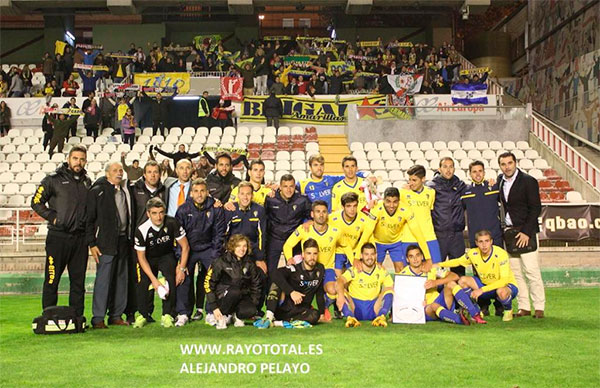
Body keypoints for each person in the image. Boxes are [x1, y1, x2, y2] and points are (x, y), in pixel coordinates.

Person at [31, 145, 91, 318]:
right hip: (57, 238)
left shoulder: (87, 182)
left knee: (78, 283)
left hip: (79, 240)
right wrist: (54, 218)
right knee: (52, 279)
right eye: (75, 158)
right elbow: (36, 202)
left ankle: (77, 319)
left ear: (85, 161)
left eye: (81, 159)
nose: (78, 162)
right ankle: (48, 318)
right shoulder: (53, 180)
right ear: (68, 159)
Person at [87, 162, 133, 328]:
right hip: (105, 242)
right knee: (103, 280)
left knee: (121, 279)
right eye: (115, 170)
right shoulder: (97, 191)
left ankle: (116, 315)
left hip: (123, 240)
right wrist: (91, 243)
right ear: (107, 174)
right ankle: (98, 318)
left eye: (121, 170)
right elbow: (89, 220)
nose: (119, 173)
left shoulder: (126, 190)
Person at [498, 152, 544, 319]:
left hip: (526, 232)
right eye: (503, 164)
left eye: (509, 163)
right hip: (509, 233)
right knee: (516, 273)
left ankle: (539, 306)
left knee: (531, 271)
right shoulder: (500, 181)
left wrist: (526, 231)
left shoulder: (528, 181)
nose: (507, 167)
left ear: (515, 163)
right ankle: (524, 306)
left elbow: (535, 208)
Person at [436, 230, 518, 322]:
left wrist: (481, 290)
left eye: (487, 241)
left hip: (504, 286)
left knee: (501, 291)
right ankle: (476, 311)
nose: (484, 245)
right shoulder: (473, 253)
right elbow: (458, 261)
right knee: (462, 280)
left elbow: (504, 280)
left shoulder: (501, 254)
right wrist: (439, 264)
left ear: (491, 241)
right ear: (476, 243)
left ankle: (508, 310)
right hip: (484, 285)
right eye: (481, 242)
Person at [174, 178, 225, 326]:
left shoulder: (216, 208)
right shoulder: (183, 209)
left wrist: (215, 258)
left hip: (208, 248)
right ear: (191, 193)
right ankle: (183, 313)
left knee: (213, 277)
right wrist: (180, 259)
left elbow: (218, 234)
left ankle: (211, 311)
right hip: (188, 249)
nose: (199, 194)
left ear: (207, 192)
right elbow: (178, 236)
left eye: (202, 191)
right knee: (182, 276)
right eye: (196, 191)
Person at [133, 198, 190, 328]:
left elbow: (185, 246)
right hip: (148, 258)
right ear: (148, 214)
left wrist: (181, 269)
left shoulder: (172, 222)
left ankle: (168, 314)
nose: (158, 217)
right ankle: (143, 314)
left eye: (161, 212)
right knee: (143, 283)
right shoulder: (141, 230)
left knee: (171, 279)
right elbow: (141, 258)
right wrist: (154, 280)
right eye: (154, 213)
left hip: (166, 255)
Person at [282, 200, 345, 320]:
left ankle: (328, 307)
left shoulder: (335, 231)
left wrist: (354, 260)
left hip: (327, 268)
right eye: (318, 212)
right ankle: (301, 308)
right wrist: (289, 258)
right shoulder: (304, 229)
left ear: (328, 214)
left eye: (324, 212)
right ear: (312, 214)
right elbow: (287, 245)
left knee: (332, 290)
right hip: (308, 270)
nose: (321, 215)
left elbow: (345, 245)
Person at [400, 244, 486, 325]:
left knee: (451, 284)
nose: (415, 259)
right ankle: (460, 319)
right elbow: (400, 296)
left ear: (422, 256)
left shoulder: (430, 269)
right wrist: (417, 303)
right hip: (425, 308)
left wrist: (436, 282)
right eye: (411, 256)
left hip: (440, 301)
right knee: (434, 306)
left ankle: (474, 313)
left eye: (417, 255)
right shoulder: (403, 274)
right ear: (407, 259)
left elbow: (454, 276)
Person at [255, 239, 326, 328]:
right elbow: (275, 274)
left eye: (315, 253)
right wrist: (291, 292)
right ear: (303, 255)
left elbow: (319, 291)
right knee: (276, 283)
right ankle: (269, 317)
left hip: (301, 311)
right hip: (284, 309)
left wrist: (322, 313)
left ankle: (278, 323)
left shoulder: (320, 269)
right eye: (309, 253)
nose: (312, 257)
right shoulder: (294, 269)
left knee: (315, 315)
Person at [204, 234, 262, 329]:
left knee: (251, 310)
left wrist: (253, 303)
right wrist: (214, 307)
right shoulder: (220, 261)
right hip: (223, 296)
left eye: (244, 246)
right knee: (235, 291)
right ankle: (221, 316)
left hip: (240, 296)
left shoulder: (249, 263)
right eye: (238, 246)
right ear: (232, 247)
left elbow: (256, 284)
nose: (242, 249)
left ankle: (236, 316)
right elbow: (208, 284)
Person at [369, 187, 432, 273]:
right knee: (374, 269)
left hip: (396, 243)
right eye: (388, 201)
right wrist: (357, 258)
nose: (391, 205)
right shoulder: (376, 209)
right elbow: (367, 233)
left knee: (400, 269)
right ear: (383, 200)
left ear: (399, 200)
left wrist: (428, 258)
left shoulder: (406, 210)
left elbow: (419, 235)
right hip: (378, 242)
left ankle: (398, 286)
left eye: (395, 202)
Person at [336, 243, 393, 328]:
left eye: (372, 254)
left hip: (374, 308)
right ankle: (350, 317)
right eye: (366, 254)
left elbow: (390, 287)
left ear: (376, 255)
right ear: (361, 256)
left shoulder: (381, 270)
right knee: (341, 291)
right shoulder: (354, 269)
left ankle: (381, 317)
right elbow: (340, 280)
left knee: (389, 290)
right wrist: (340, 296)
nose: (369, 257)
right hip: (355, 308)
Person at [426, 157, 467, 275]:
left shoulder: (460, 185)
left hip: (457, 235)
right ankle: (437, 293)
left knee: (459, 270)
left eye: (451, 167)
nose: (448, 170)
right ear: (439, 169)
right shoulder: (431, 186)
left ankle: (459, 293)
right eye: (445, 167)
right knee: (437, 270)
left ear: (454, 169)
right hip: (439, 234)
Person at [400, 165, 442, 264]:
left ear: (423, 179)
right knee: (410, 273)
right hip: (409, 237)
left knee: (436, 268)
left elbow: (429, 210)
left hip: (429, 236)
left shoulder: (431, 192)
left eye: (414, 180)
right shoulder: (402, 193)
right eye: (409, 180)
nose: (411, 183)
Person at [297, 153, 368, 211]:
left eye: (321, 165)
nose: (319, 168)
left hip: (329, 219)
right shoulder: (302, 184)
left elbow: (348, 174)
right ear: (310, 167)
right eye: (315, 165)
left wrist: (365, 175)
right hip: (314, 221)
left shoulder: (330, 179)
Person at [330, 192, 376, 277]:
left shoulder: (364, 219)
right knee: (338, 280)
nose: (352, 209)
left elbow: (369, 239)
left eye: (355, 206)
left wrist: (358, 257)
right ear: (342, 207)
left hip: (355, 252)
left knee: (354, 279)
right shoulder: (332, 218)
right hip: (338, 252)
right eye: (348, 206)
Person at [224, 182, 267, 264]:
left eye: (248, 194)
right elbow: (224, 234)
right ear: (238, 195)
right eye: (242, 194)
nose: (245, 197)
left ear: (252, 196)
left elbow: (262, 236)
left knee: (262, 273)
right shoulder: (230, 210)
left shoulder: (260, 210)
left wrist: (260, 258)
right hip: (233, 251)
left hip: (253, 251)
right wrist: (226, 252)